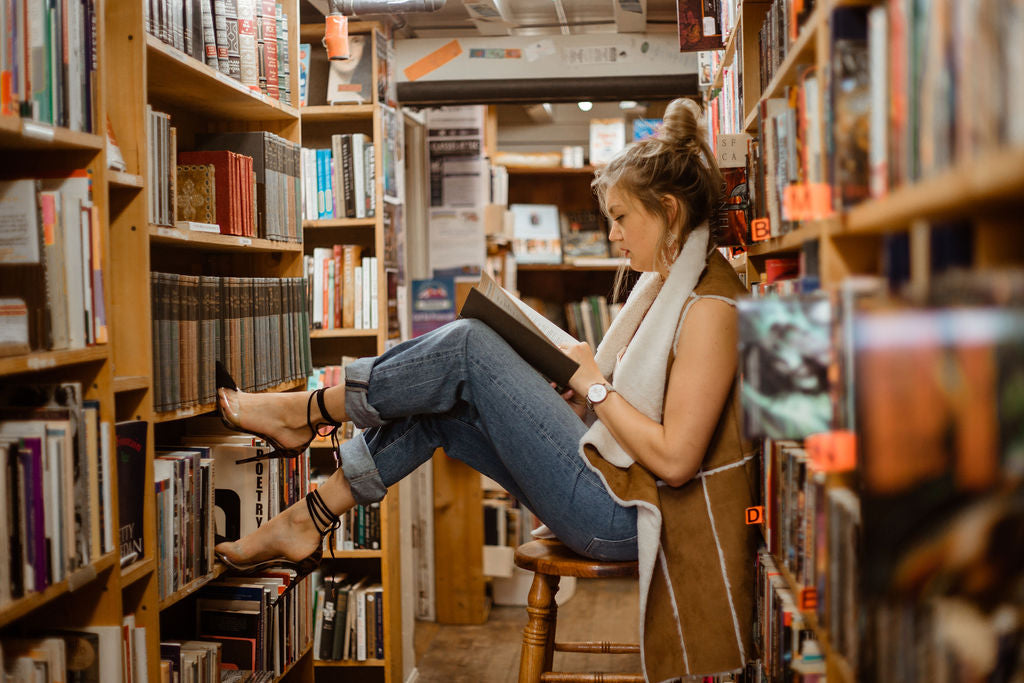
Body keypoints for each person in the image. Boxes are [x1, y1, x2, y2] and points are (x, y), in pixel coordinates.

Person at [213, 98, 760, 679]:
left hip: (628, 515)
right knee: (440, 404)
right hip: (613, 479)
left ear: (669, 210)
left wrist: (593, 387)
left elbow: (675, 462)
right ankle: (312, 516)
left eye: (622, 218)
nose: (613, 235)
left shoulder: (709, 307)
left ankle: (305, 411)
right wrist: (567, 379)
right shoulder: (668, 286)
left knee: (469, 344)